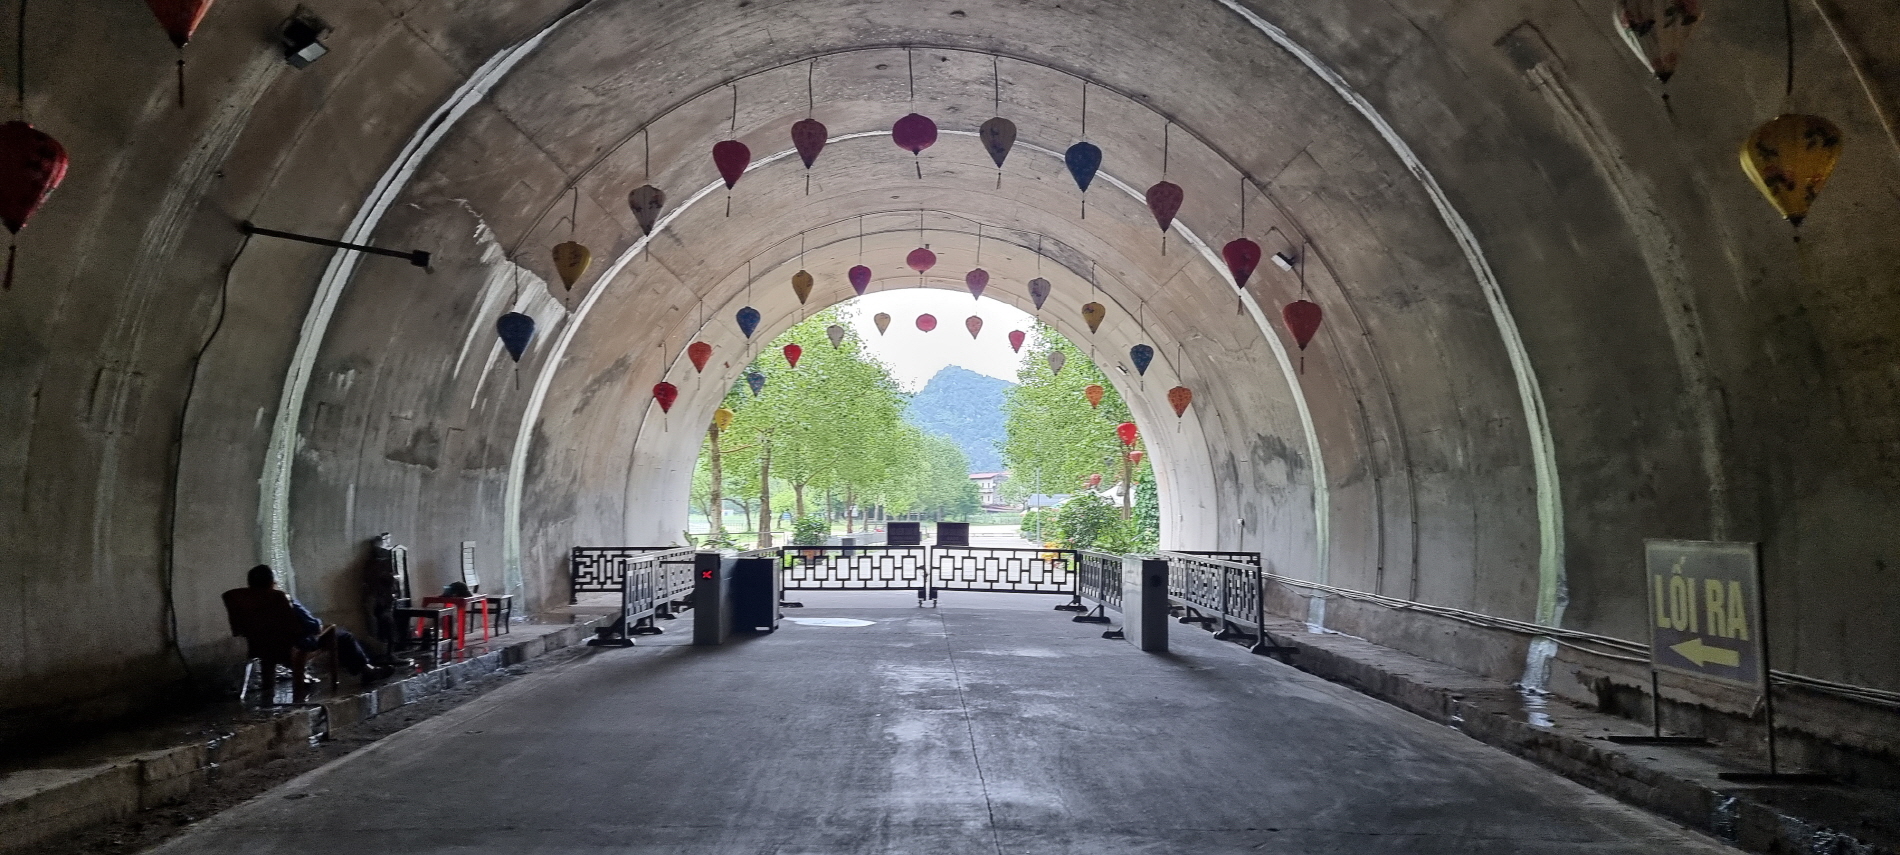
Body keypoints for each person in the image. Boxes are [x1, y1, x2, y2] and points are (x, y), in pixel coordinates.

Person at [225, 564, 393, 685]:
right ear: (272, 583)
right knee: (343, 636)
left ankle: (270, 690)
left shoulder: (240, 600)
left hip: (260, 646)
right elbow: (313, 626)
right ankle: (367, 670)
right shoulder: (281, 598)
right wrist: (320, 626)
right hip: (294, 647)